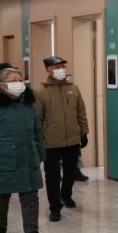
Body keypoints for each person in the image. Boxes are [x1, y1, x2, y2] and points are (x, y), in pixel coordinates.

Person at [0, 68, 47, 233]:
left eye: (20, 79)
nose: (19, 83)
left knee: (30, 197)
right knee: (0, 197)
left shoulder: (28, 104)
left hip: (28, 158)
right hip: (1, 160)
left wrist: (41, 153)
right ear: (2, 85)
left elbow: (37, 132)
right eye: (14, 80)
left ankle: (31, 232)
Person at [33, 56, 89, 222]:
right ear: (48, 70)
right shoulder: (40, 91)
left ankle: (66, 195)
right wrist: (38, 140)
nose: (61, 70)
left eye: (62, 66)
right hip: (50, 141)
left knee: (71, 171)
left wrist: (84, 132)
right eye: (57, 67)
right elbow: (37, 118)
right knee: (53, 176)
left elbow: (81, 112)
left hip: (72, 139)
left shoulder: (73, 88)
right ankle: (54, 207)